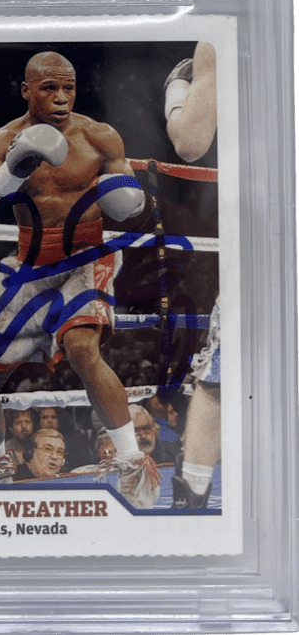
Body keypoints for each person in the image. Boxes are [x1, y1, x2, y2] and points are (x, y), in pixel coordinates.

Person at [0, 51, 159, 506]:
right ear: (26, 90)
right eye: (49, 88)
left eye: (68, 88)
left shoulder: (99, 136)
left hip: (87, 255)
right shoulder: (0, 141)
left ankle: (132, 461)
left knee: (81, 347)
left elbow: (134, 209)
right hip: (29, 262)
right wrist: (14, 170)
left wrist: (131, 202)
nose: (61, 97)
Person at [164, 42, 221, 509]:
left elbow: (189, 144)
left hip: (263, 227)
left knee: (222, 367)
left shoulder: (217, 40)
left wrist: (177, 90)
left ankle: (194, 494)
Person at [37, 406, 91, 471]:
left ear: (58, 420)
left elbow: (82, 466)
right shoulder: (34, 441)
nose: (50, 421)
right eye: (45, 417)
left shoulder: (74, 441)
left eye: (54, 417)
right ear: (39, 421)